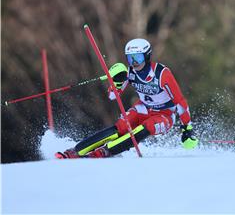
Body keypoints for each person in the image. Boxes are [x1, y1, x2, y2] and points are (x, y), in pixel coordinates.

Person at [56, 38, 198, 159]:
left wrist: (187, 128)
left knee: (147, 127)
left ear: (147, 56)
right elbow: (113, 96)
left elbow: (180, 102)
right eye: (131, 58)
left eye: (138, 58)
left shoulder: (162, 74)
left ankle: (102, 153)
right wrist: (116, 82)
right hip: (143, 108)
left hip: (165, 115)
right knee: (122, 127)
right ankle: (75, 151)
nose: (134, 62)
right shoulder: (129, 72)